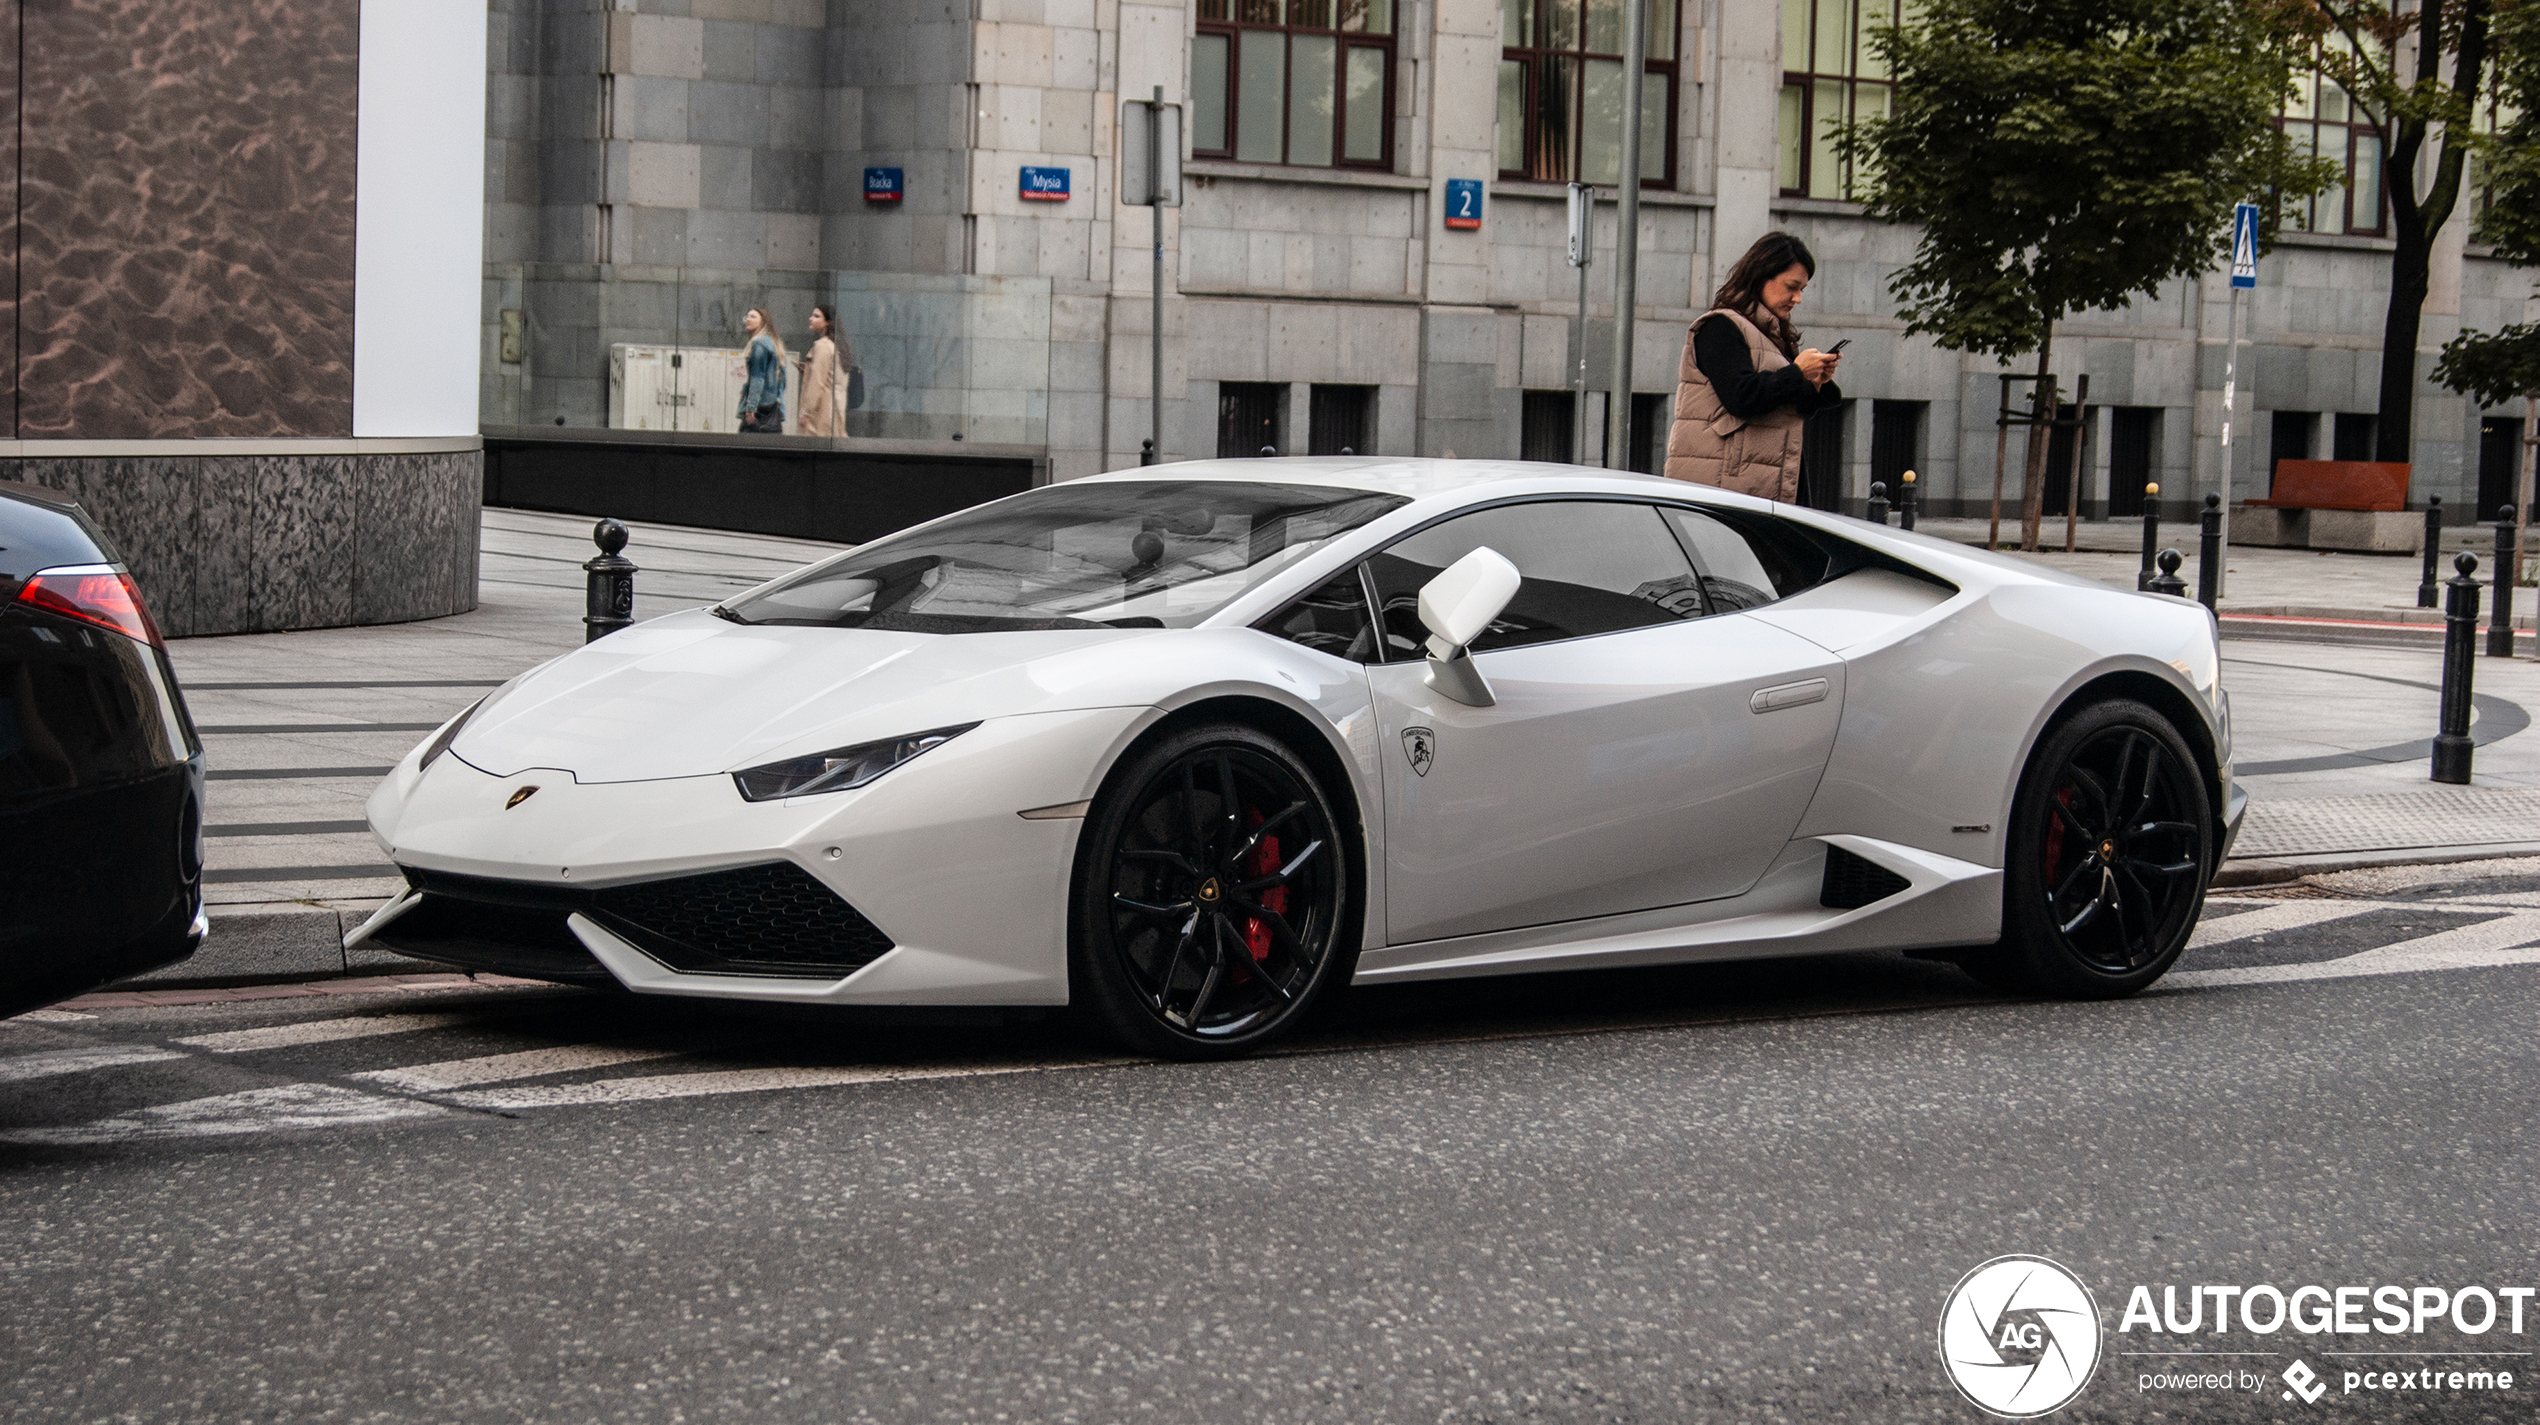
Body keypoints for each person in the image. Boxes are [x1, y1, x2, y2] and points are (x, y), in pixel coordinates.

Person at [1664, 231, 1843, 502]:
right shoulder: (1719, 327)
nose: (1797, 299)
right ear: (1761, 276)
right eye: (1791, 287)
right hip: (1724, 489)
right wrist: (1796, 372)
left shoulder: (1772, 334)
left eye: (1802, 290)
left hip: (1760, 485)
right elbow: (1741, 398)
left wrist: (1815, 382)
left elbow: (1781, 410)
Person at [796, 305, 852, 437]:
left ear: (828, 322)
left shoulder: (823, 346)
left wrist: (806, 412)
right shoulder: (837, 346)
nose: (811, 319)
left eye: (816, 316)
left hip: (820, 412)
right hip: (835, 411)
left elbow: (817, 382)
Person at [738, 307, 787, 433]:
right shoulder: (774, 343)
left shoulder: (759, 344)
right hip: (772, 406)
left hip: (759, 408)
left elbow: (757, 378)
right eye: (747, 316)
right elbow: (783, 379)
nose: (748, 319)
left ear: (763, 322)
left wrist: (751, 407)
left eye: (753, 317)